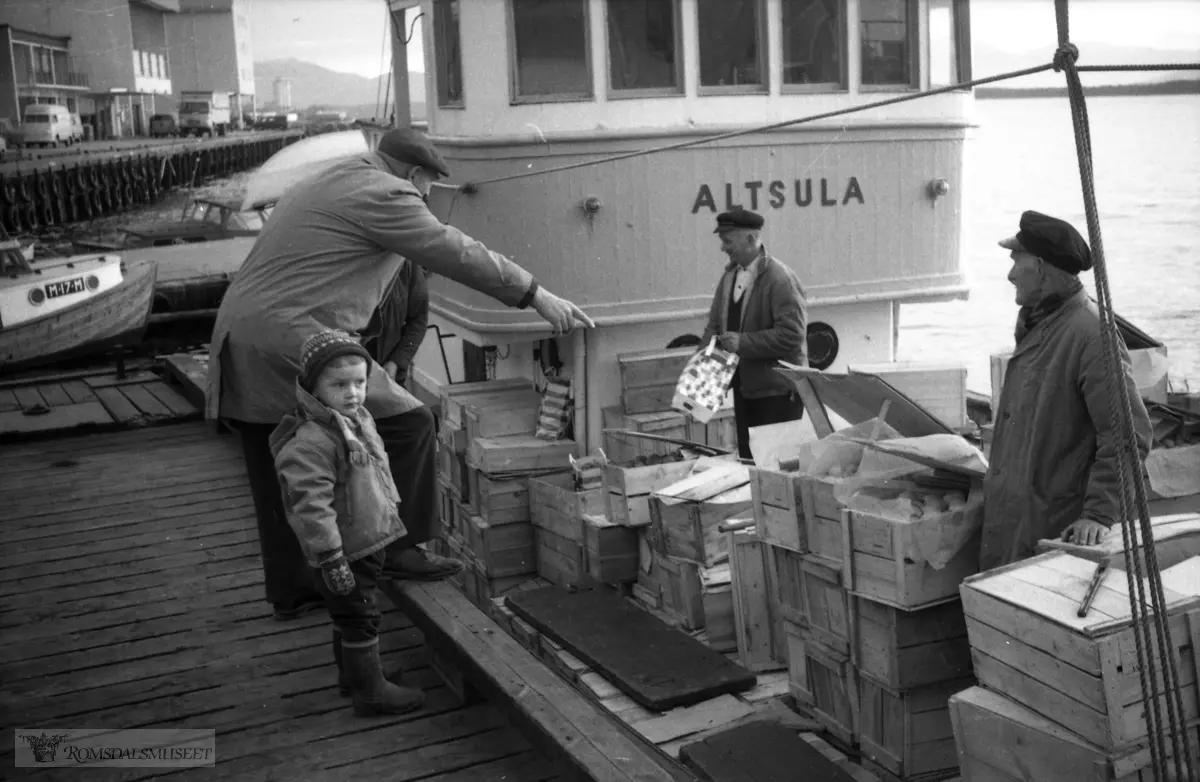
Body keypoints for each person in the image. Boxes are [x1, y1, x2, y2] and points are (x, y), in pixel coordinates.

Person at [206, 128, 594, 621]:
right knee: (411, 425)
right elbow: (454, 249)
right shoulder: (386, 192)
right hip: (296, 339)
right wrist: (535, 293)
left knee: (275, 457)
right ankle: (401, 549)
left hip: (239, 335)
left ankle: (291, 587)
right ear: (414, 175)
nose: (425, 199)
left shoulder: (331, 176)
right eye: (427, 189)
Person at [980, 210, 1152, 571]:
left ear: (1041, 268)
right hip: (1014, 524)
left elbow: (1128, 434)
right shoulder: (1039, 323)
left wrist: (1098, 515)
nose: (1010, 274)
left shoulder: (1091, 334)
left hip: (1051, 532)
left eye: (1017, 262)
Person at [271, 329, 422, 717]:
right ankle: (371, 693)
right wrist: (331, 555)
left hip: (366, 539)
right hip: (345, 550)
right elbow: (312, 506)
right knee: (360, 616)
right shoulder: (310, 442)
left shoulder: (354, 419)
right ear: (312, 386)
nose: (353, 392)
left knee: (352, 614)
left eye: (359, 382)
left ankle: (355, 675)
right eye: (339, 385)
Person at [700, 208, 808, 460]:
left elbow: (792, 336)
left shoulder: (780, 279)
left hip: (778, 396)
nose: (723, 248)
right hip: (745, 391)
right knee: (749, 463)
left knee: (776, 471)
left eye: (728, 241)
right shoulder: (730, 276)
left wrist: (743, 342)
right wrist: (699, 384)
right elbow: (714, 328)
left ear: (750, 238)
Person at [363, 261, 429, 386]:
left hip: (389, 374)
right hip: (346, 373)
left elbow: (418, 320)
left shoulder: (408, 264)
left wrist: (397, 362)